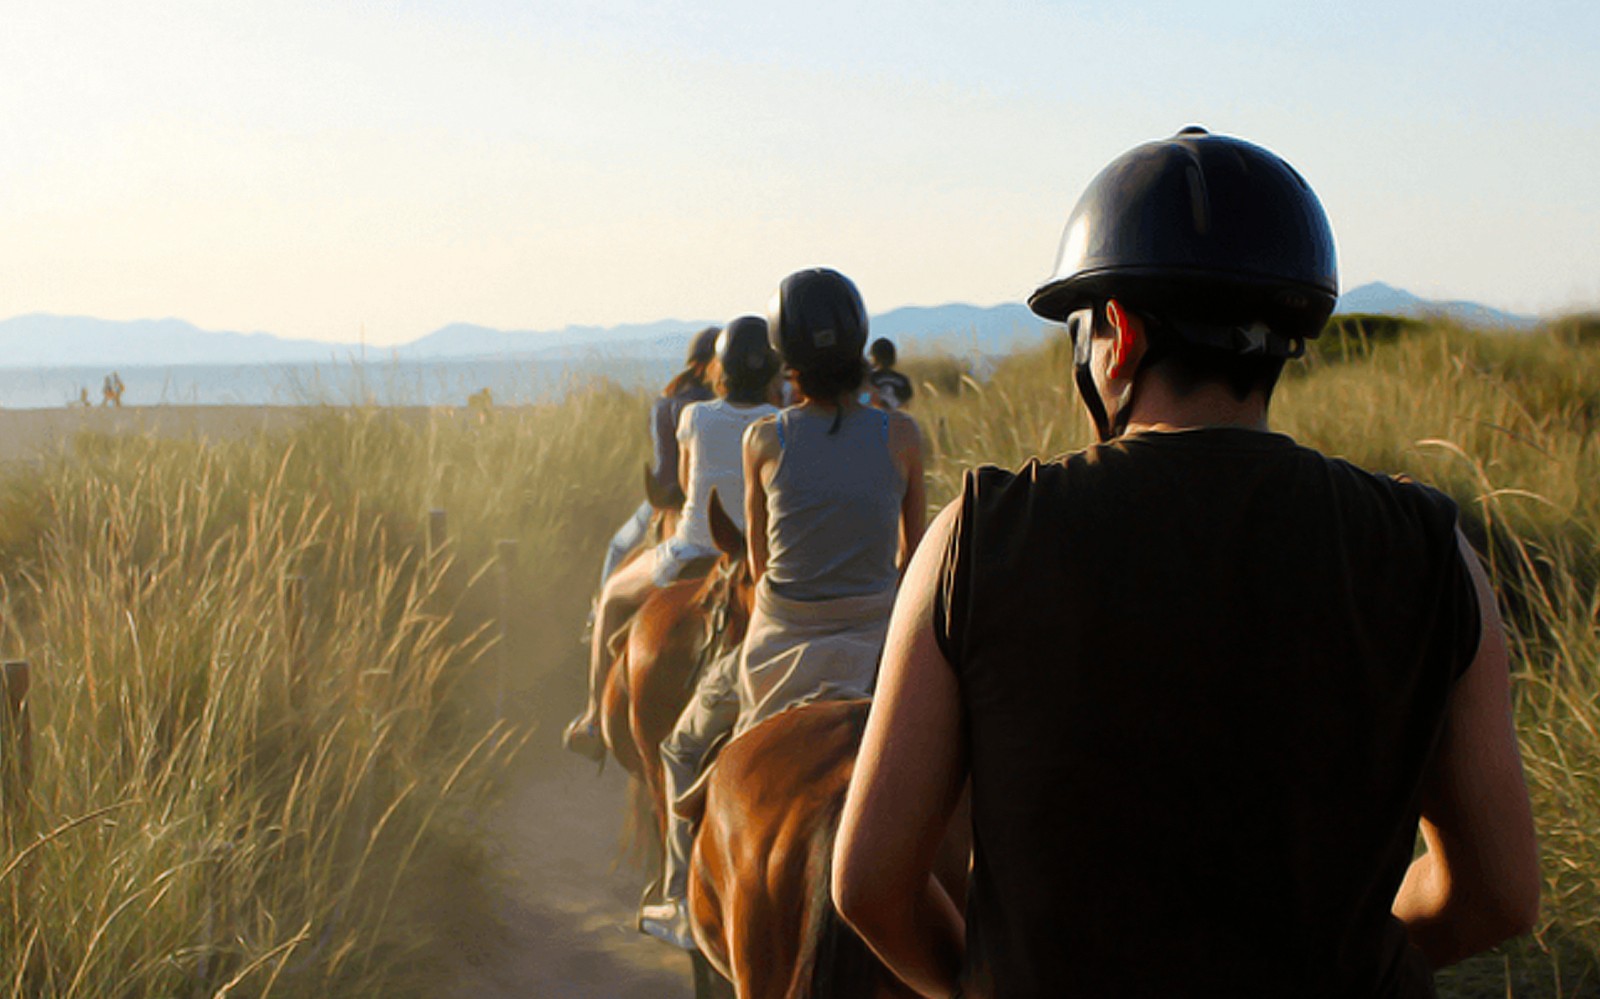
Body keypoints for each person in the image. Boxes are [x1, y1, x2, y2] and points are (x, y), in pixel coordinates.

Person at [832, 128, 1540, 998]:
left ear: (1118, 336)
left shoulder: (976, 537)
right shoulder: (1435, 549)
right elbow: (1500, 894)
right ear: (1285, 339)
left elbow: (869, 884)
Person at [637, 268, 928, 949]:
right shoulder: (903, 434)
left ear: (785, 361)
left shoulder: (763, 440)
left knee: (681, 746)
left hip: (781, 643)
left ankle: (682, 902)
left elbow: (764, 567)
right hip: (881, 641)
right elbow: (913, 559)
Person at [564, 319, 779, 761]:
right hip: (758, 561)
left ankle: (590, 719)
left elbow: (682, 483)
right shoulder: (782, 423)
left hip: (690, 550)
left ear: (723, 370)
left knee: (610, 600)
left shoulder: (693, 415)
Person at [867, 336, 914, 410]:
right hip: (898, 419)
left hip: (874, 419)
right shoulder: (903, 380)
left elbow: (863, 401)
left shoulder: (868, 379)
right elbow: (906, 405)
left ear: (874, 357)